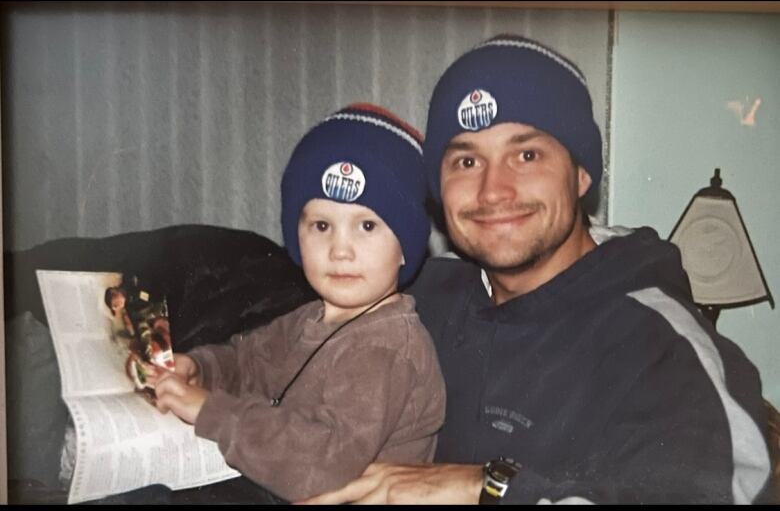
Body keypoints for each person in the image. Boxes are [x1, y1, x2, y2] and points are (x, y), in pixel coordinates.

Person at [302, 35, 772, 505]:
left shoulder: (663, 347)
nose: (493, 190)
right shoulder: (414, 295)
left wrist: (484, 487)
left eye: (526, 155)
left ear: (581, 173)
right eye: (467, 160)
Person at [149, 103, 446, 502]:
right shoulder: (310, 318)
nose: (340, 250)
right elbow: (247, 360)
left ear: (405, 248)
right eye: (322, 226)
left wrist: (210, 411)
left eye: (367, 226)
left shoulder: (386, 348)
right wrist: (200, 370)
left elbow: (321, 464)